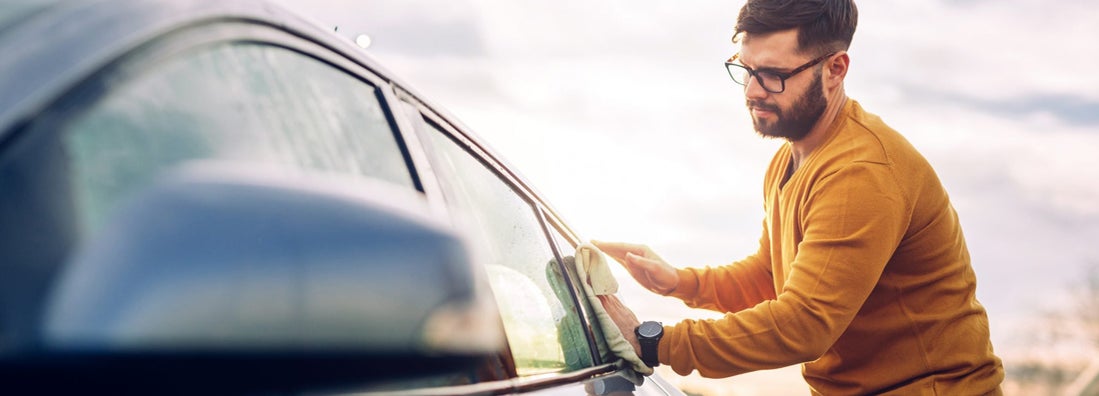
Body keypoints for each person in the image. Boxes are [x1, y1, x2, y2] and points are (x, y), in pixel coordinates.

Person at [593, 0, 1005, 394]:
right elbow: (771, 277)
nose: (753, 91)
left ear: (835, 69)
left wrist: (653, 342)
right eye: (746, 69)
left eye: (773, 74)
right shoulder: (789, 160)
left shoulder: (861, 172)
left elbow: (803, 324)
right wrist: (681, 281)